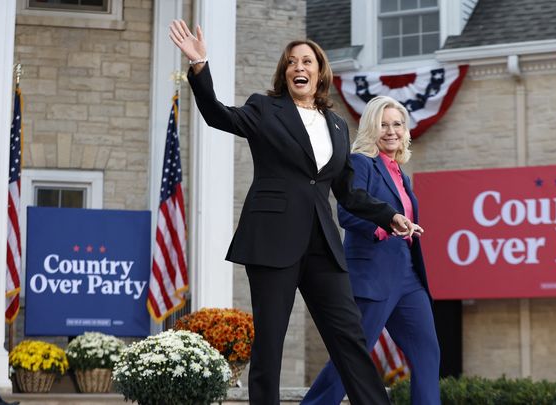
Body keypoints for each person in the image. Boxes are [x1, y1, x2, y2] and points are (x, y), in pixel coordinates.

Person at [169, 20, 423, 405]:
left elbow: (348, 192)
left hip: (322, 244)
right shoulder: (264, 109)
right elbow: (218, 115)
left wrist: (389, 215)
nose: (298, 67)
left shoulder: (337, 126)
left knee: (349, 338)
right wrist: (201, 64)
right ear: (285, 72)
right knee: (270, 344)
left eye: (306, 61)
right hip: (272, 240)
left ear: (320, 72)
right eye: (291, 62)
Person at [302, 96, 440, 405]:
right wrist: (388, 225)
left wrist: (403, 227)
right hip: (373, 274)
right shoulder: (361, 163)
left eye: (398, 124)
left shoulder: (400, 174)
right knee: (353, 356)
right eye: (384, 124)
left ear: (405, 131)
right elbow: (348, 214)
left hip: (408, 275)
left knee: (427, 351)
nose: (391, 131)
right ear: (371, 128)